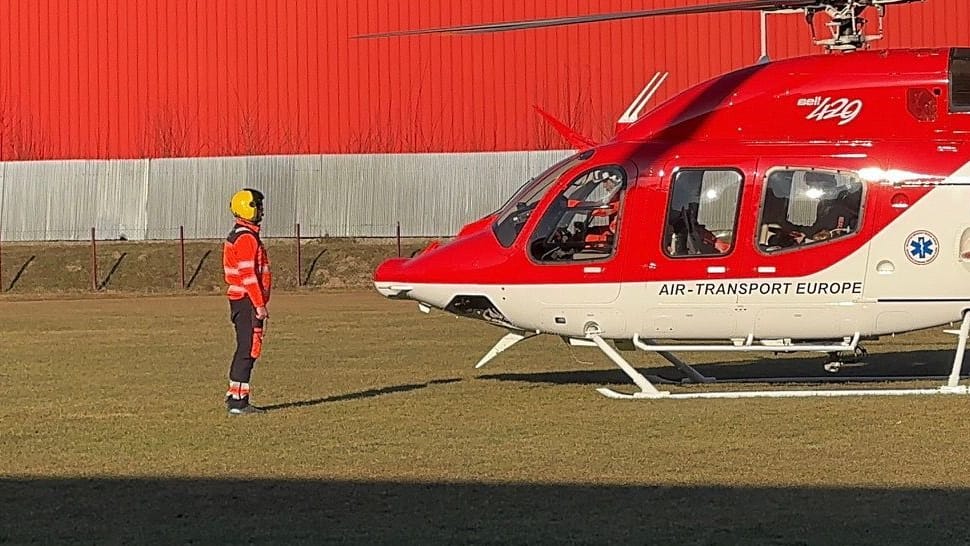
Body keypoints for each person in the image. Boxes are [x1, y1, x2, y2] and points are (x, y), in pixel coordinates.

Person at [223, 188, 272, 415]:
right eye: (258, 206)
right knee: (249, 348)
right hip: (246, 300)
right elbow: (248, 275)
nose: (262, 211)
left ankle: (236, 394)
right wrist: (259, 305)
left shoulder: (241, 234)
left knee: (246, 347)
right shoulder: (246, 238)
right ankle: (238, 402)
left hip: (242, 299)